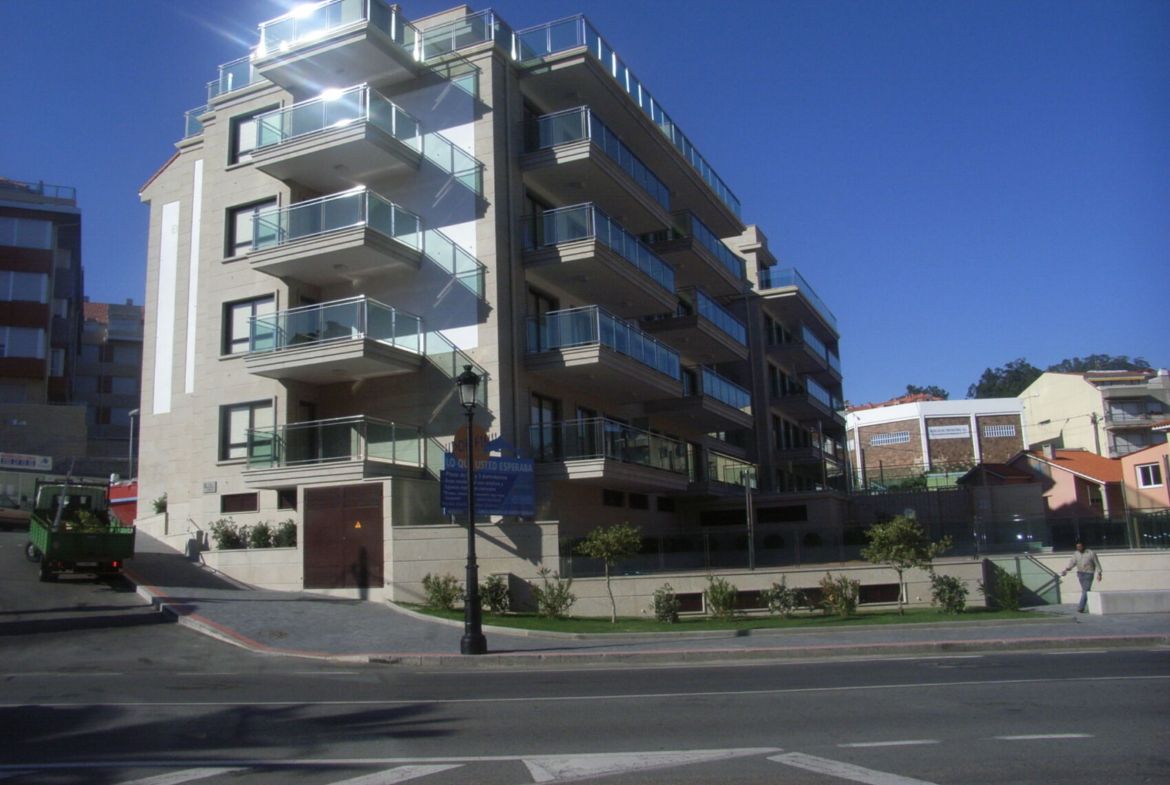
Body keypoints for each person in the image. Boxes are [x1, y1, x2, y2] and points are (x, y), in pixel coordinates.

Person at [1061, 541, 1102, 613]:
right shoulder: (1076, 554)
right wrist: (1066, 570)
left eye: (1080, 546)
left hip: (1089, 573)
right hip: (1080, 573)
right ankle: (1089, 605)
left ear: (1083, 546)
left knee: (1086, 590)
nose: (1078, 548)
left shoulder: (1091, 553)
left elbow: (1097, 563)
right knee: (1085, 590)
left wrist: (1099, 573)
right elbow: (1072, 563)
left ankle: (1081, 607)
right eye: (1077, 547)